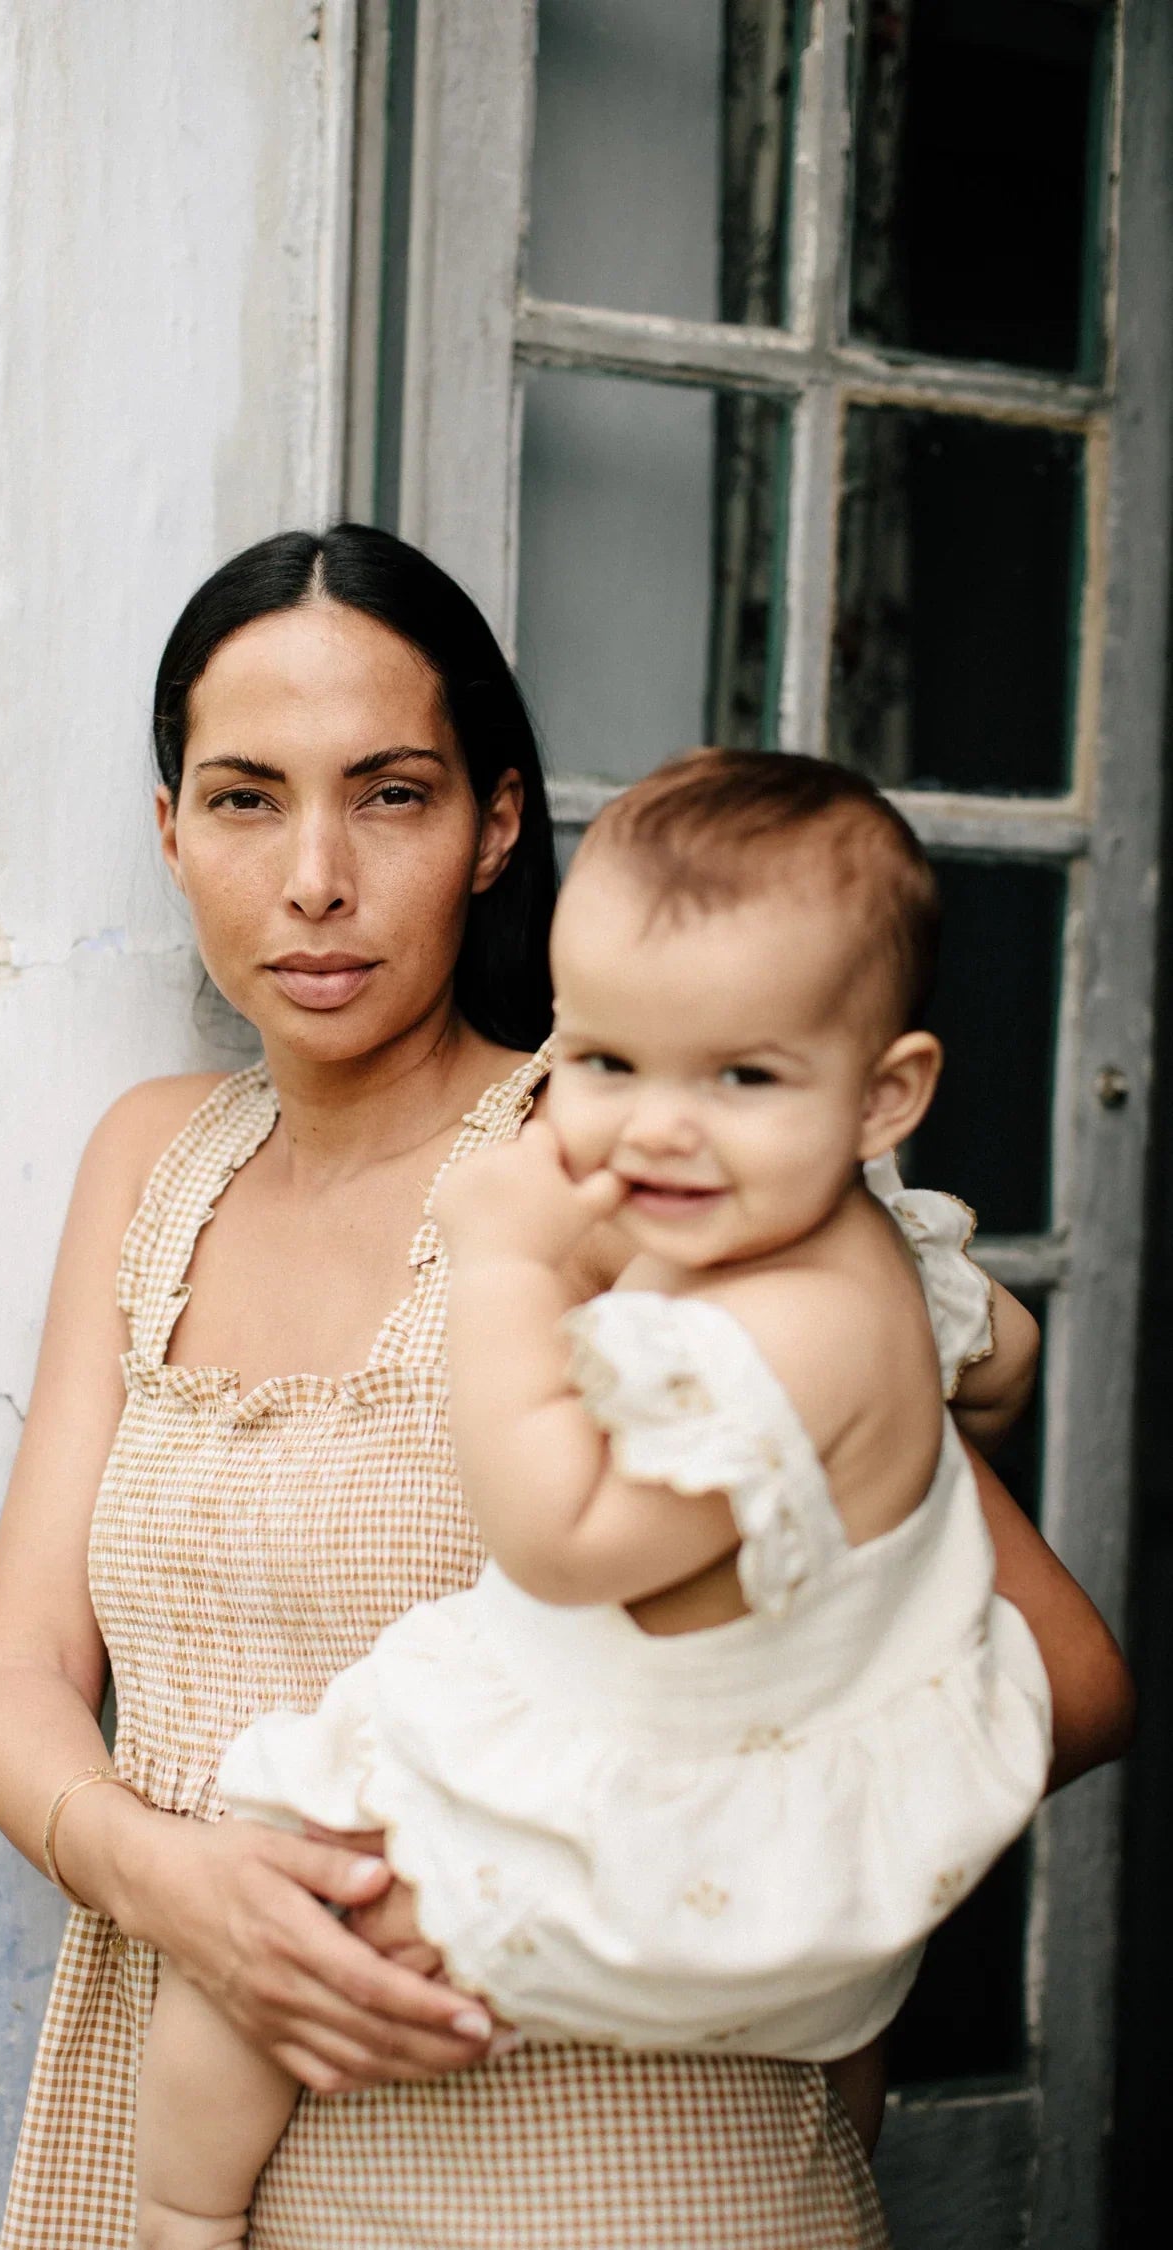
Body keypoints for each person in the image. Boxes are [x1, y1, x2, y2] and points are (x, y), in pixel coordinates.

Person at [0, 527, 1134, 2250]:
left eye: (391, 794)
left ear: (497, 824)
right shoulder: (155, 1159)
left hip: (610, 2163)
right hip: (177, 2128)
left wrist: (591, 1868)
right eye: (242, 798)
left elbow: (1063, 1677)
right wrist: (181, 1887)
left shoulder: (641, 1163)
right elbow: (20, 1676)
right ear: (169, 829)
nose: (313, 877)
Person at [138, 750, 1054, 2247]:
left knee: (300, 1861)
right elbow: (1000, 1354)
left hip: (655, 1821)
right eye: (611, 1064)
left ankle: (180, 2211)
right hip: (769, 1797)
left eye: (742, 1076)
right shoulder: (887, 1275)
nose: (655, 1131)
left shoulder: (795, 1325)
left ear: (889, 1094)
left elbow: (563, 1543)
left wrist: (504, 1262)